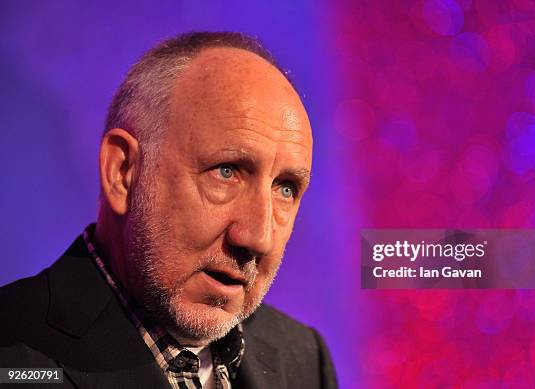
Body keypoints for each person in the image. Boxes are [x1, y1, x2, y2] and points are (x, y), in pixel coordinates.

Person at [0, 31, 337, 389]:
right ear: (123, 172)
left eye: (286, 188)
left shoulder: (303, 358)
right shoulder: (13, 358)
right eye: (226, 171)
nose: (258, 238)